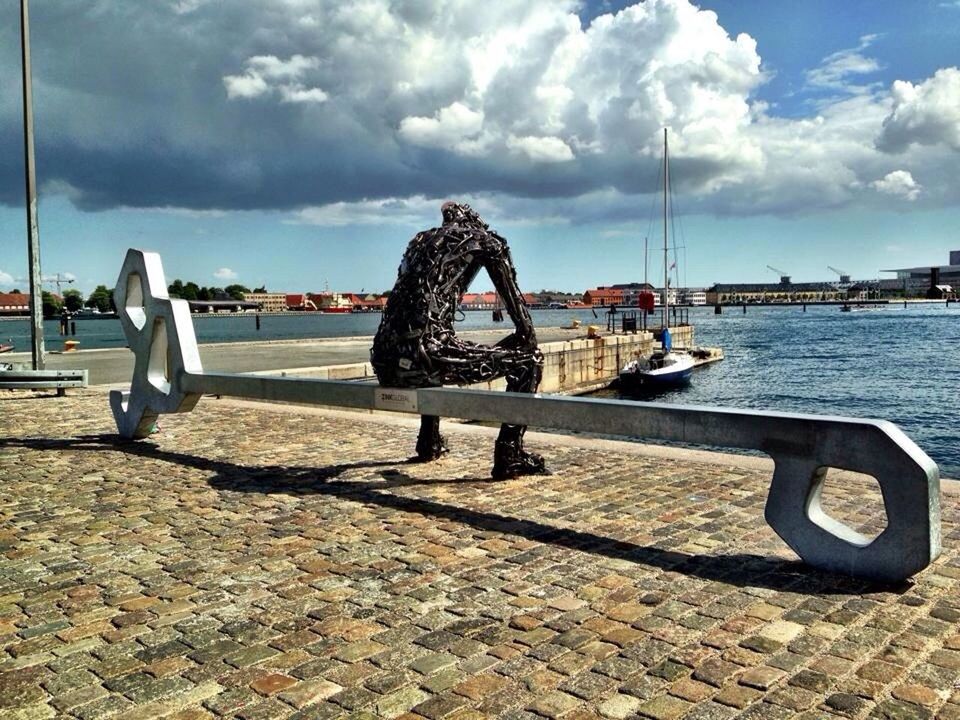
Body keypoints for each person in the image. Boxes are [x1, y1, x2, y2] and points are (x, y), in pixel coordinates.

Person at [371, 202, 548, 480]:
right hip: (425, 357)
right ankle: (509, 454)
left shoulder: (418, 243)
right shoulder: (487, 242)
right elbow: (523, 322)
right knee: (530, 362)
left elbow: (424, 305)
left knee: (434, 346)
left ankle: (428, 442)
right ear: (476, 221)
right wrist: (520, 343)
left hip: (383, 358)